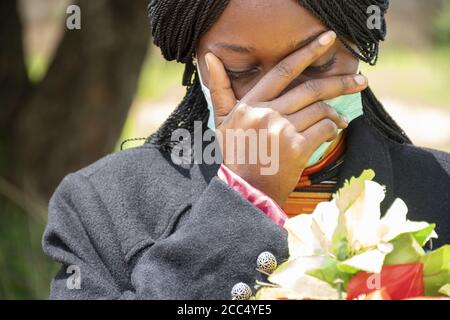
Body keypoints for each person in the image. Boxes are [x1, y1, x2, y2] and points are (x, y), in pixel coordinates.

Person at [42, 0, 450, 299]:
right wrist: (246, 197)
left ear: (359, 46)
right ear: (195, 61)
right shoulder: (99, 205)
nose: (280, 102)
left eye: (316, 66)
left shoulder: (441, 191)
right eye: (241, 71)